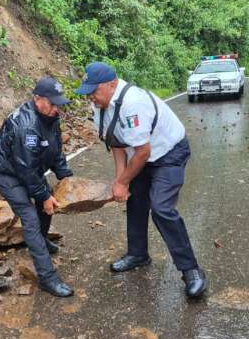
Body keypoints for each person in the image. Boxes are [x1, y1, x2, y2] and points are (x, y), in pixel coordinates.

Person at [74, 62, 207, 298]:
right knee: (135, 201)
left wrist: (122, 182)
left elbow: (143, 152)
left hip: (168, 153)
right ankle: (138, 254)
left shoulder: (133, 103)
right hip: (141, 155)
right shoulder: (100, 106)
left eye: (94, 91)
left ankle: (191, 270)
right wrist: (120, 181)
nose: (91, 98)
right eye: (88, 93)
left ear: (112, 84)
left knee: (161, 208)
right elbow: (116, 143)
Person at [0, 76, 74, 297]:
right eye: (53, 103)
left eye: (59, 104)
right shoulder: (26, 126)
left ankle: (40, 240)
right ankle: (47, 278)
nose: (57, 109)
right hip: (7, 171)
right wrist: (43, 195)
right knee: (31, 215)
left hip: (27, 166)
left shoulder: (50, 116)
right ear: (38, 99)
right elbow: (26, 169)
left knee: (48, 198)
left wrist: (66, 178)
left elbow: (55, 150)